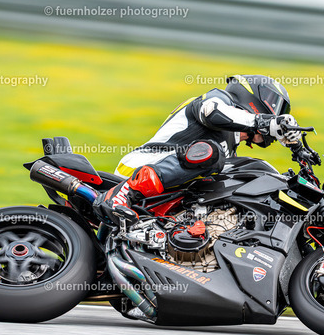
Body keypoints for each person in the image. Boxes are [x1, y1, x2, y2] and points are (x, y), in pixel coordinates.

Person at [93, 74, 302, 223]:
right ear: (253, 96)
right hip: (139, 168)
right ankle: (123, 193)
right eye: (275, 105)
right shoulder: (218, 100)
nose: (275, 114)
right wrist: (263, 121)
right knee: (211, 154)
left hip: (164, 197)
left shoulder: (231, 144)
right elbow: (212, 112)